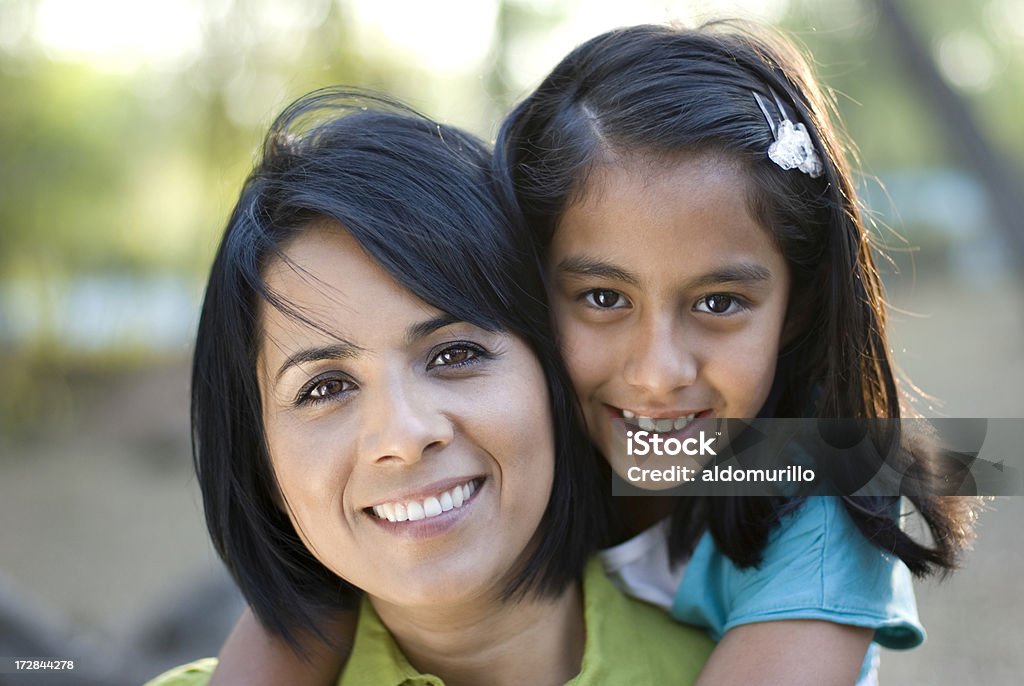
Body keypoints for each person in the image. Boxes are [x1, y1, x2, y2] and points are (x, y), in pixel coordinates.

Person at [209, 22, 981, 686]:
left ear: (797, 306)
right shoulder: (499, 439)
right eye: (604, 299)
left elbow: (966, 456)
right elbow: (303, 601)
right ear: (522, 287)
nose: (657, 370)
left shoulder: (822, 492)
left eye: (719, 304)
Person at [145, 89, 712, 686]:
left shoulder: (757, 662)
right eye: (325, 387)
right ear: (260, 459)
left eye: (454, 353)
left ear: (555, 373)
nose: (406, 435)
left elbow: (815, 455)